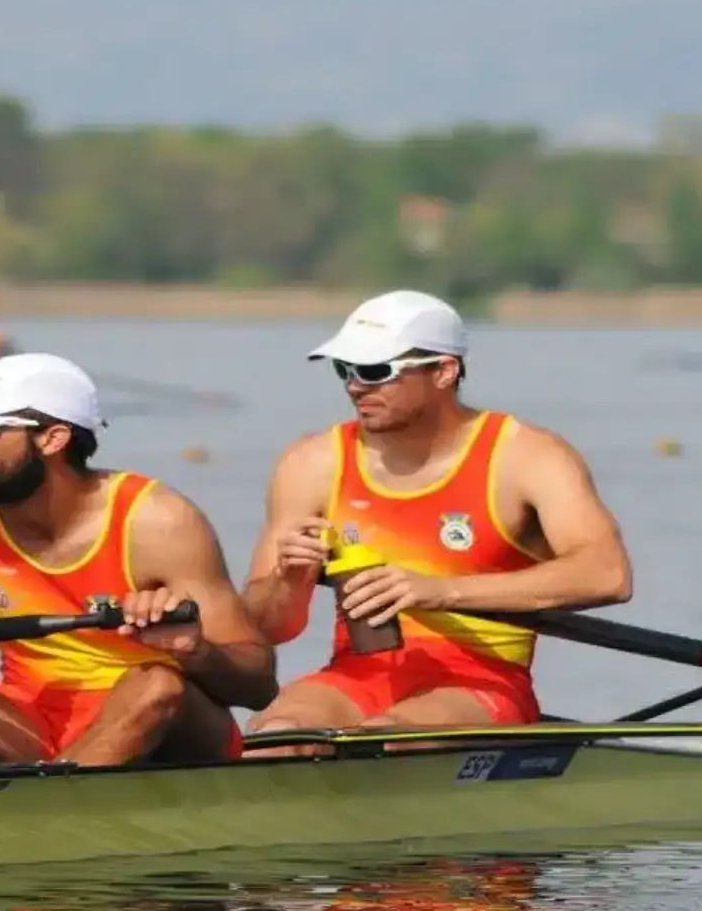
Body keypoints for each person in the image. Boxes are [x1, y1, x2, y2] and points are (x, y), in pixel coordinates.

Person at [0, 352, 276, 768]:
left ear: (52, 438)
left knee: (157, 683)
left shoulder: (156, 521)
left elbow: (258, 685)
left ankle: (41, 809)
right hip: (31, 721)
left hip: (165, 721)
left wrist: (194, 650)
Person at [238, 290, 633, 748]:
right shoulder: (311, 463)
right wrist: (288, 580)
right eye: (343, 369)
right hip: (358, 673)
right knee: (276, 737)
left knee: (385, 742)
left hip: (479, 682)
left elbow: (608, 575)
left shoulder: (526, 457)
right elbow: (267, 630)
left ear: (444, 371)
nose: (354, 386)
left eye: (374, 371)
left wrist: (440, 590)